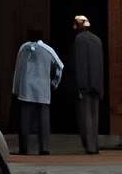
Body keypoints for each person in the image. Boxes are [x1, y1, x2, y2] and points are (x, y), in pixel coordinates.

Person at [10, 30, 62, 156]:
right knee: (43, 120)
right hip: (43, 89)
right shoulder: (48, 50)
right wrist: (54, 84)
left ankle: (24, 148)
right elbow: (60, 67)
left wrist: (15, 89)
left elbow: (17, 70)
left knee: (25, 119)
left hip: (26, 89)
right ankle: (44, 148)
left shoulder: (23, 49)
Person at [69, 14, 107, 153]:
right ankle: (94, 145)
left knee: (85, 117)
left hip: (84, 84)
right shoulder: (97, 40)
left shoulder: (79, 39)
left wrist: (80, 85)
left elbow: (80, 63)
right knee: (94, 116)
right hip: (97, 83)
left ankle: (89, 146)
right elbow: (100, 64)